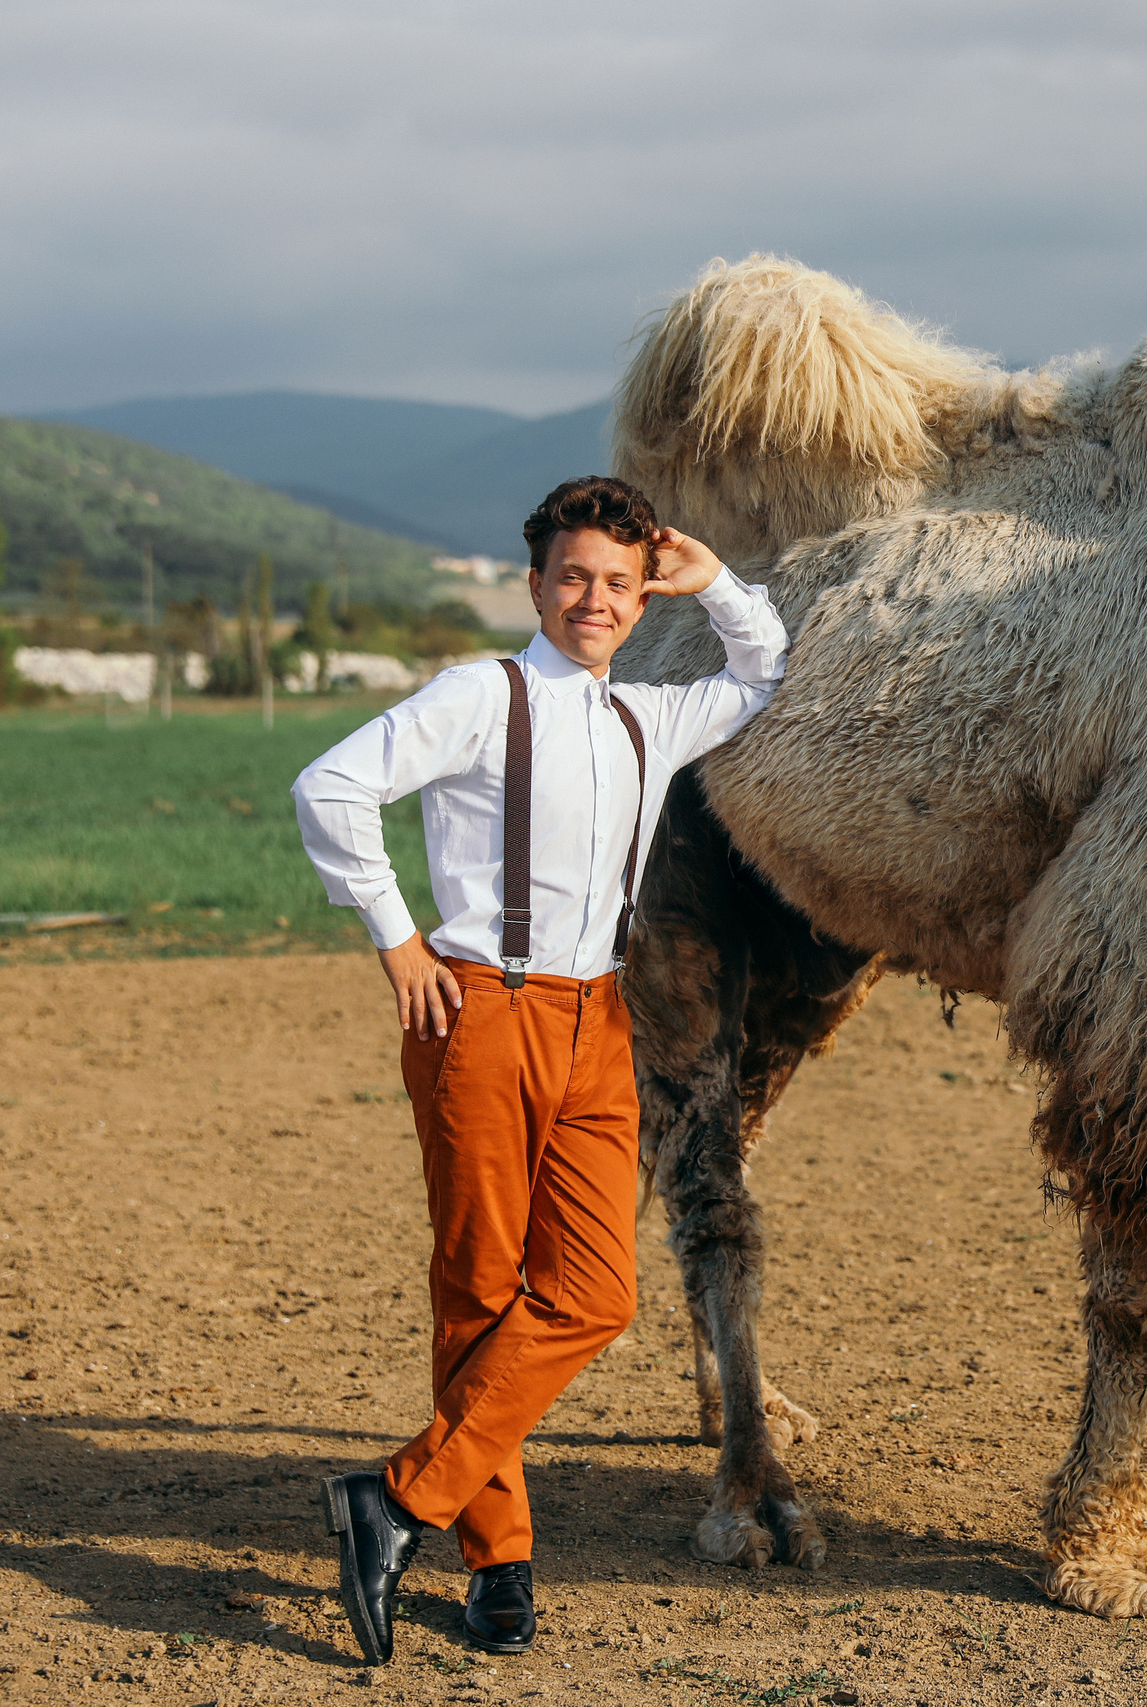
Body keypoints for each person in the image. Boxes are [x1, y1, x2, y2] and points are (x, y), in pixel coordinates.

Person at [289, 475, 785, 1665]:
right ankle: (497, 1561)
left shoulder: (647, 718)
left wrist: (706, 576)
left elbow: (763, 670)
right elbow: (331, 786)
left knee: (595, 1293)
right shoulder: (479, 695)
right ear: (534, 585)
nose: (595, 600)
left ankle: (401, 1500)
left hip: (598, 1023)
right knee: (479, 1287)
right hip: (480, 1013)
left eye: (618, 581)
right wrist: (397, 938)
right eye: (573, 578)